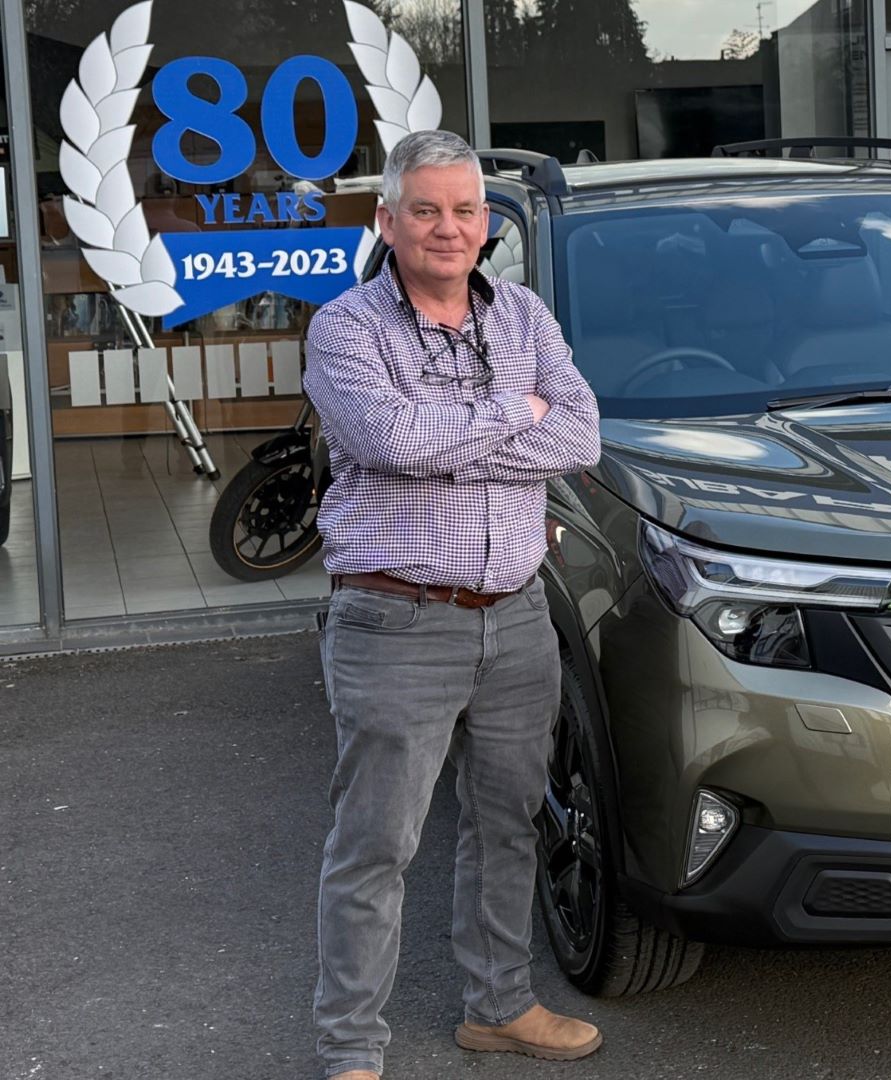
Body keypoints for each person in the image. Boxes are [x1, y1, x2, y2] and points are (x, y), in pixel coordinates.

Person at [302, 129, 603, 1079]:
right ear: (388, 222)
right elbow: (390, 439)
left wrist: (465, 431)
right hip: (396, 622)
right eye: (425, 210)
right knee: (377, 846)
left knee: (508, 824)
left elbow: (584, 435)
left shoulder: (522, 316)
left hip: (516, 617)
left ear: (486, 224)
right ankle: (352, 1050)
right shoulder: (347, 328)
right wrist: (519, 413)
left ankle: (498, 1006)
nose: (448, 228)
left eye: (465, 210)